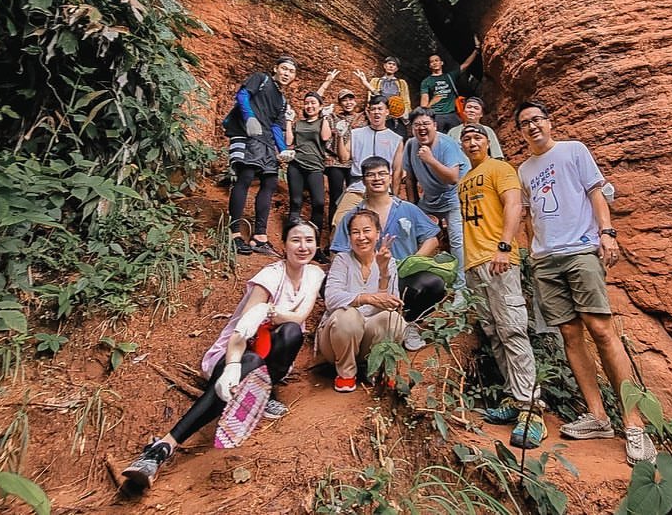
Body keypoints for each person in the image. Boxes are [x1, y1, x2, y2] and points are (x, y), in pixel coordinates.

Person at [121, 221, 325, 490]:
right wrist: (231, 367)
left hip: (268, 356)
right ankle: (161, 449)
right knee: (250, 362)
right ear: (284, 245)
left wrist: (271, 313)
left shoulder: (314, 273)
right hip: (236, 353)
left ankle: (264, 393)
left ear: (317, 245)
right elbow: (241, 334)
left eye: (309, 240)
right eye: (296, 240)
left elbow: (299, 317)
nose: (303, 247)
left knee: (291, 332)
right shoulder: (270, 277)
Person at [515, 100, 657, 466]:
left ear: (549, 122)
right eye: (525, 123)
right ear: (520, 132)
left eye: (537, 120)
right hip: (546, 259)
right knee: (569, 333)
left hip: (580, 250)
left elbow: (596, 191)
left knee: (602, 329)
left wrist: (606, 233)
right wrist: (534, 249)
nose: (532, 127)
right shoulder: (524, 170)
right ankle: (598, 416)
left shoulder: (573, 150)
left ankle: (635, 423)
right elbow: (530, 213)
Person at [457, 124, 545, 449]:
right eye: (466, 138)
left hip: (498, 259)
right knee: (494, 332)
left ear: (488, 141)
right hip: (473, 264)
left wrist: (505, 246)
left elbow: (514, 205)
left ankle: (531, 409)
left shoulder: (501, 169)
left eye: (477, 136)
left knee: (512, 329)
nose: (471, 141)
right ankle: (515, 396)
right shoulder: (464, 181)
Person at [330, 156, 446, 351]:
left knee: (433, 283)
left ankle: (408, 324)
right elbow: (338, 251)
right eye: (371, 175)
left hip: (400, 277)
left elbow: (432, 237)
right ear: (363, 180)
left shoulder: (407, 209)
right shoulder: (352, 217)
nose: (377, 178)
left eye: (382, 173)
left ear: (391, 176)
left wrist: (414, 260)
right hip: (366, 282)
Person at [316, 209, 405, 392]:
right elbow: (331, 299)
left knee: (393, 319)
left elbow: (390, 305)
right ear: (349, 237)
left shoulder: (389, 262)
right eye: (355, 232)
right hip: (337, 341)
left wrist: (383, 271)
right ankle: (346, 373)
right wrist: (366, 298)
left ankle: (376, 368)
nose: (361, 237)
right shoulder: (342, 260)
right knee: (348, 315)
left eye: (367, 230)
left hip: (367, 340)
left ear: (378, 234)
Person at [225, 57, 297, 256]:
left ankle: (260, 237)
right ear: (275, 68)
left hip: (265, 141)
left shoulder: (282, 100)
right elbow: (242, 95)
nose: (286, 73)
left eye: (291, 71)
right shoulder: (261, 79)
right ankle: (234, 234)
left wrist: (282, 149)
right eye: (284, 69)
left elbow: (275, 126)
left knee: (270, 182)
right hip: (248, 134)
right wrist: (249, 117)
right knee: (245, 178)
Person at [397, 107, 468, 295]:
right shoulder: (411, 145)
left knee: (456, 239)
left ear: (435, 126)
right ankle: (410, 275)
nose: (422, 128)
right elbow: (410, 178)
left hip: (453, 195)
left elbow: (453, 178)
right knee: (409, 228)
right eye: (417, 125)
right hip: (429, 199)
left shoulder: (447, 144)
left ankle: (461, 287)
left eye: (426, 124)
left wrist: (430, 160)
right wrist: (413, 207)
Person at [331, 95, 403, 227]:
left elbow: (397, 170)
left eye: (380, 109)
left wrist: (395, 194)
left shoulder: (396, 139)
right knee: (339, 222)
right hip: (358, 187)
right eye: (373, 109)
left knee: (382, 225)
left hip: (383, 188)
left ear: (387, 112)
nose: (376, 112)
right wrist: (340, 136)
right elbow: (344, 158)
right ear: (368, 112)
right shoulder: (356, 134)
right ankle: (338, 247)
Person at [286, 91, 332, 252]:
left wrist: (325, 117)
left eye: (313, 103)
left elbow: (326, 137)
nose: (310, 106)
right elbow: (289, 141)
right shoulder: (299, 123)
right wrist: (288, 121)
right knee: (296, 202)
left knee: (319, 203)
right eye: (307, 103)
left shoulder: (322, 122)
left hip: (315, 166)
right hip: (296, 165)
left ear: (320, 106)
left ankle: (316, 245)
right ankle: (291, 243)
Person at [419, 38, 480, 133]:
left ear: (441, 63)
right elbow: (424, 102)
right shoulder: (426, 81)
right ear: (430, 65)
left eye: (436, 60)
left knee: (458, 136)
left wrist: (476, 51)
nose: (434, 63)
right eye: (432, 62)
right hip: (436, 115)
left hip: (452, 114)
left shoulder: (450, 76)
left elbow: (465, 65)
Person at [323, 88, 363, 229]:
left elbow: (380, 103)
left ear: (355, 100)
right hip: (336, 162)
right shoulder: (333, 118)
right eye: (344, 100)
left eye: (350, 99)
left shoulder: (363, 117)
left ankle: (353, 230)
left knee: (355, 197)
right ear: (340, 103)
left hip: (355, 163)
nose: (348, 102)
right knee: (336, 197)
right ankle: (333, 231)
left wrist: (365, 84)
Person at [354, 57, 412, 138]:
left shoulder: (401, 83)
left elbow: (406, 101)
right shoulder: (375, 81)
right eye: (389, 64)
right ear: (384, 65)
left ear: (397, 68)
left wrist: (403, 114)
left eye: (394, 65)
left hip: (396, 119)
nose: (391, 66)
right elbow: (370, 100)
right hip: (380, 116)